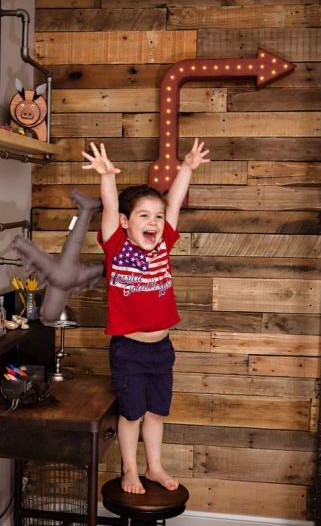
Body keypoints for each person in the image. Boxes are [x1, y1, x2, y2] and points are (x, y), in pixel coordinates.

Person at [82, 139, 210, 494]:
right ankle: (130, 470)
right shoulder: (116, 246)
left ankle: (153, 467)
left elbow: (174, 207)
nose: (154, 222)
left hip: (161, 350)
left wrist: (187, 168)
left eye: (156, 216)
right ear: (125, 223)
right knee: (132, 414)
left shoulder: (164, 243)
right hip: (129, 351)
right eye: (144, 216)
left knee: (156, 413)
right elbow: (109, 206)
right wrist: (107, 176)